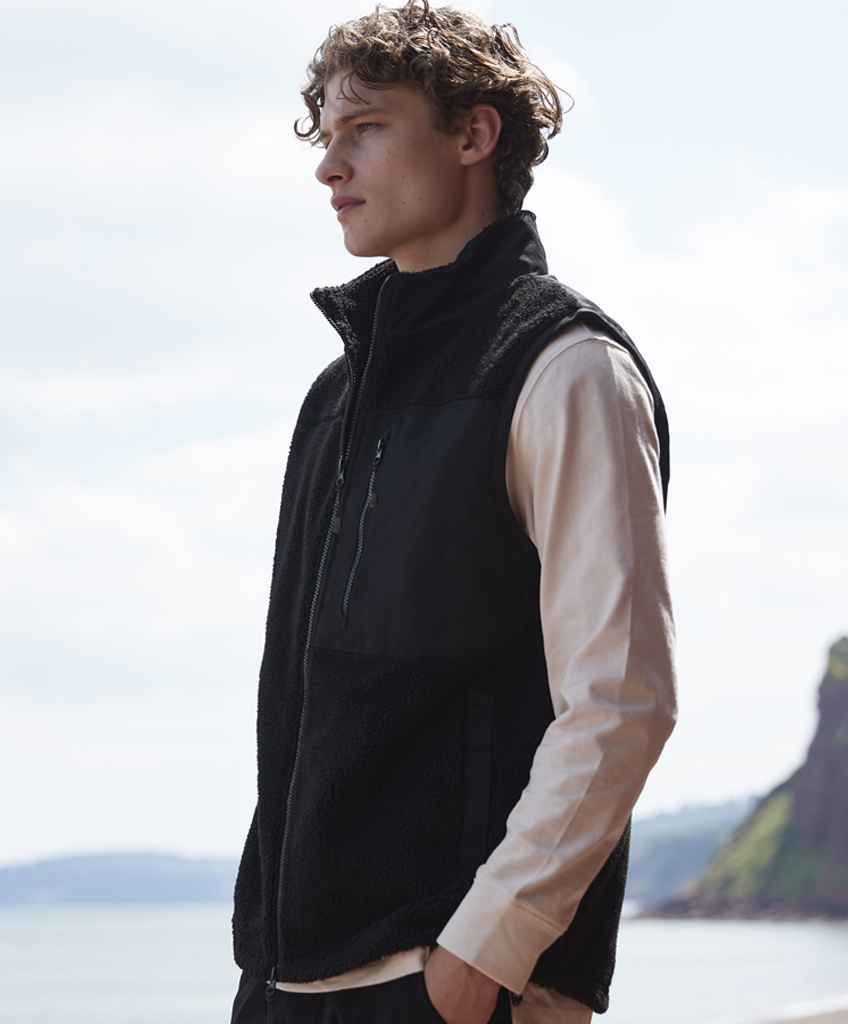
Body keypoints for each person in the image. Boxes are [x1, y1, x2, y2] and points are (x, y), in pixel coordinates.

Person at [229, 2, 678, 1021]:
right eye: (325, 136)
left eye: (367, 128)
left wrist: (482, 953)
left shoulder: (566, 369)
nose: (329, 167)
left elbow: (621, 698)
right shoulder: (336, 397)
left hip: (457, 978)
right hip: (290, 979)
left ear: (473, 135)